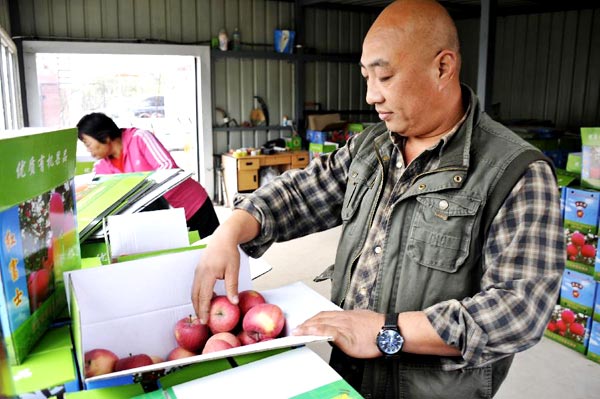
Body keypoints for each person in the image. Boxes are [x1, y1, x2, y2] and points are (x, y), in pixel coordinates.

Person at [191, 0, 564, 397]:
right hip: (350, 375)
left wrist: (390, 331)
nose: (370, 95)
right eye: (366, 76)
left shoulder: (516, 172)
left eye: (384, 76)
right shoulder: (373, 147)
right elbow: (301, 192)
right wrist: (231, 228)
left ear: (443, 67)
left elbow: (518, 310)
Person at [77, 112, 220, 239]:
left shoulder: (139, 138)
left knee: (215, 253)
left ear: (105, 137)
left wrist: (136, 193)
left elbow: (167, 166)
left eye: (88, 144)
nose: (88, 150)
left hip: (193, 206)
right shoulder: (101, 167)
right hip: (162, 222)